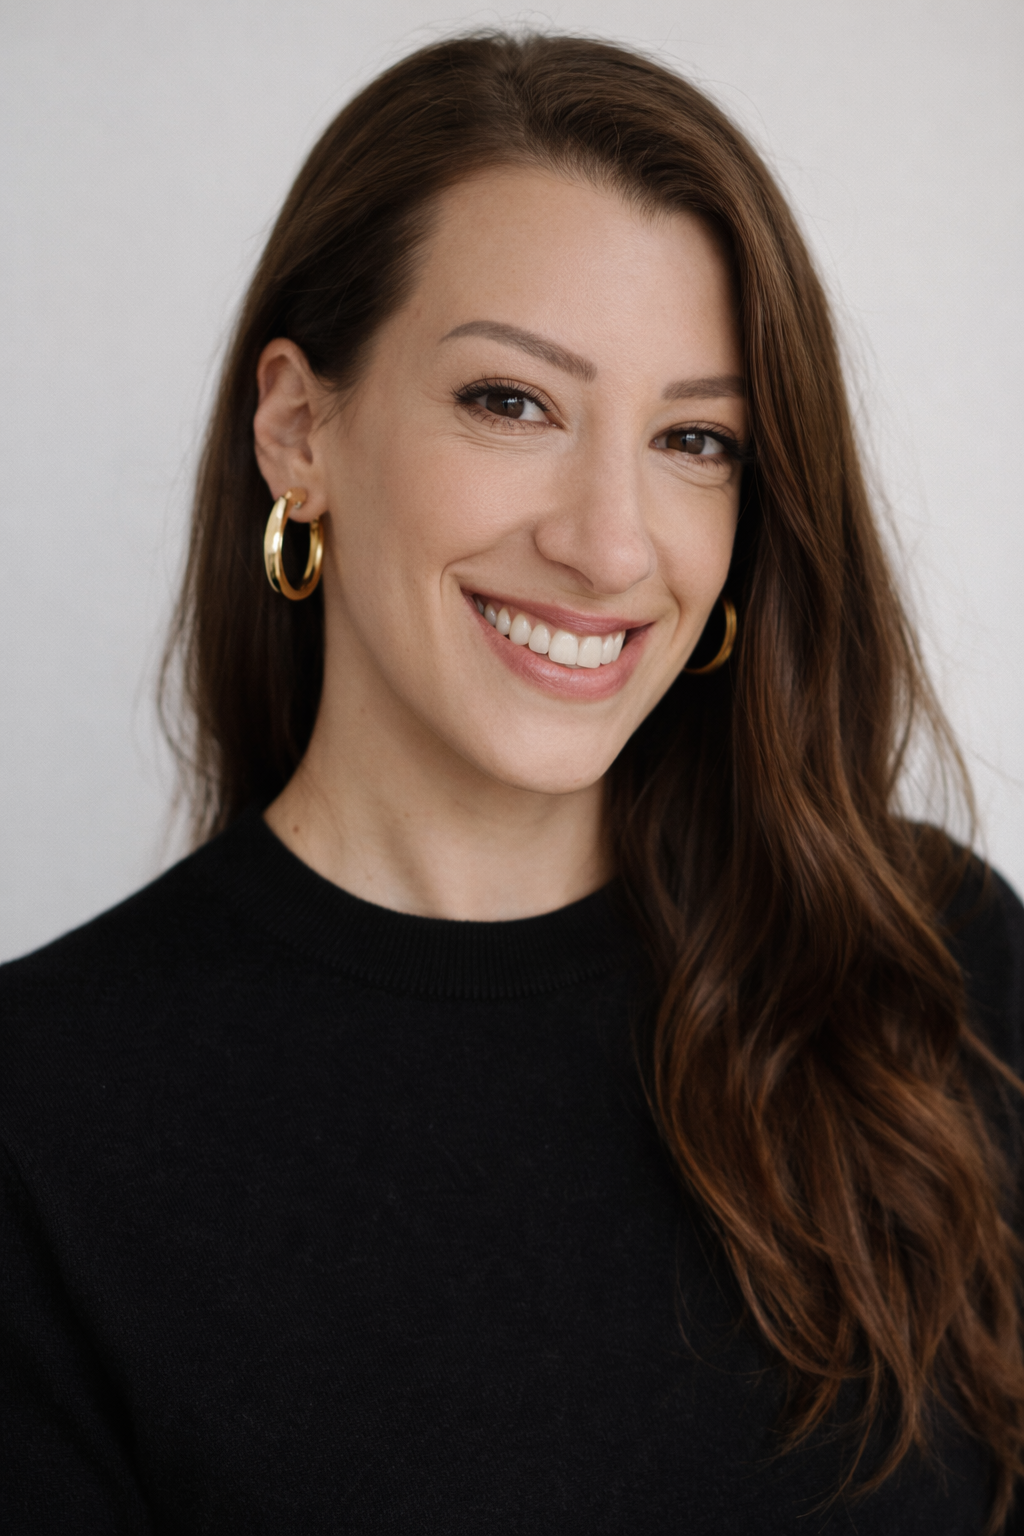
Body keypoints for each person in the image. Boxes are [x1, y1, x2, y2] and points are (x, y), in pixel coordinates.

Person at [1, 30, 1021, 1535]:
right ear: (299, 431)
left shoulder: (932, 963)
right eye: (512, 403)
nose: (610, 545)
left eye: (695, 439)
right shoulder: (44, 1126)